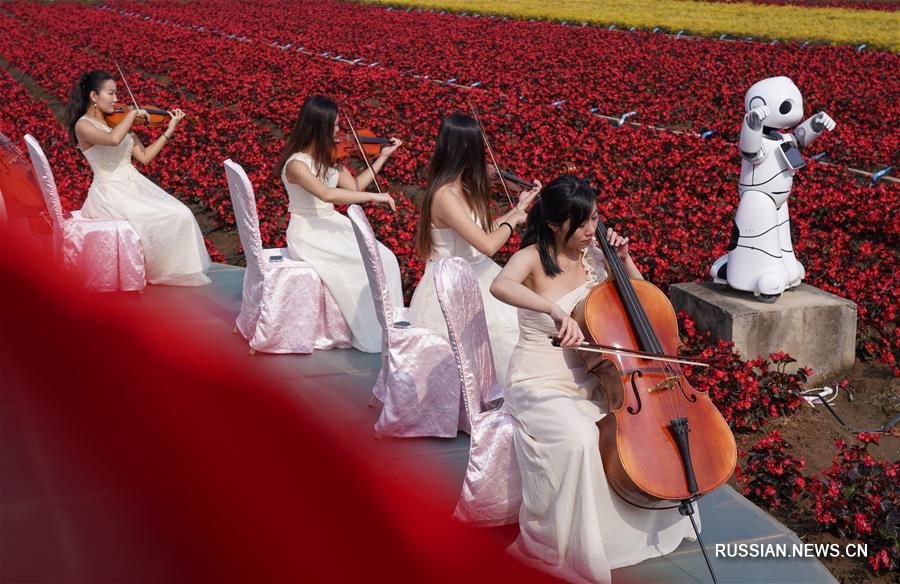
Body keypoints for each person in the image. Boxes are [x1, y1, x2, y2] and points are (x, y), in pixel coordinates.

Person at [490, 175, 697, 583]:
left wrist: (624, 261)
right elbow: (501, 285)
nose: (591, 231)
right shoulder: (531, 257)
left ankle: (630, 534)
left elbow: (645, 303)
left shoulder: (596, 258)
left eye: (595, 220)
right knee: (582, 438)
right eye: (581, 223)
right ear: (553, 223)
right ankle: (573, 544)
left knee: (642, 433)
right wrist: (554, 311)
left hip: (595, 380)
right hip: (538, 383)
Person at [409, 113, 538, 390]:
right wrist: (513, 220)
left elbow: (481, 230)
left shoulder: (463, 188)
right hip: (454, 282)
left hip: (475, 270)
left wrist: (517, 209)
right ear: (466, 149)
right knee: (501, 328)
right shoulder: (444, 195)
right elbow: (488, 244)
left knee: (512, 323)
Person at [277, 95, 402, 353]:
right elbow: (326, 194)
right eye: (334, 126)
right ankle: (365, 331)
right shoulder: (297, 164)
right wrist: (373, 197)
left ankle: (387, 328)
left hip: (332, 224)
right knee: (364, 263)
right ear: (318, 126)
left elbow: (355, 186)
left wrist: (383, 157)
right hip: (309, 231)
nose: (339, 132)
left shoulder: (329, 157)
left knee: (386, 258)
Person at [66, 70, 210, 286]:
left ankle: (174, 271)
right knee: (161, 219)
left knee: (182, 213)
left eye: (116, 94)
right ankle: (154, 271)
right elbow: (113, 140)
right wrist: (131, 116)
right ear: (94, 97)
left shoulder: (115, 121)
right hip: (110, 191)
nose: (116, 99)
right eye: (111, 94)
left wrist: (169, 129)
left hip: (133, 185)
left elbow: (144, 157)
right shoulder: (83, 125)